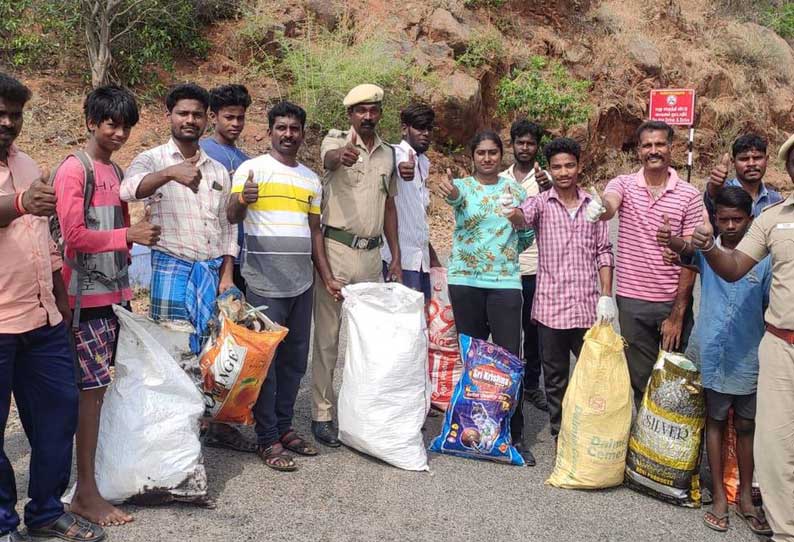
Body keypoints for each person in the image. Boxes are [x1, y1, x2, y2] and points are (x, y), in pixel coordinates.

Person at [0, 73, 105, 542]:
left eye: (15, 114)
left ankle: (43, 513)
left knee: (59, 416)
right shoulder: (23, 184)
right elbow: (16, 209)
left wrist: (60, 309)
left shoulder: (27, 165)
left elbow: (45, 242)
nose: (7, 122)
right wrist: (22, 202)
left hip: (42, 318)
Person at [120, 83, 251, 453]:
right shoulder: (152, 158)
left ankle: (199, 435)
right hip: (171, 269)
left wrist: (227, 274)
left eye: (196, 114)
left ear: (205, 119)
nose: (189, 120)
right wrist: (170, 173)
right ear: (169, 117)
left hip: (209, 272)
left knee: (208, 354)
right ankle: (169, 444)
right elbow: (127, 190)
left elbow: (228, 225)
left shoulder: (218, 170)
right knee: (171, 356)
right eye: (183, 113)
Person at [53, 85, 159, 527]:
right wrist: (128, 237)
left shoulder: (114, 171)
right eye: (111, 123)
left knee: (97, 393)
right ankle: (85, 494)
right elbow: (73, 236)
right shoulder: (73, 171)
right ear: (91, 122)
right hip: (83, 303)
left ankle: (87, 483)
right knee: (88, 395)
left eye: (126, 126)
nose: (119, 132)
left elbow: (115, 233)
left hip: (112, 300)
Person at [690, 134, 794, 542]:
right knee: (774, 441)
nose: (731, 225)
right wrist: (704, 247)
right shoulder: (774, 221)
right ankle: (781, 526)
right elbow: (730, 266)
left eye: (758, 156)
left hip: (752, 349)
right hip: (776, 346)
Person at [657, 186, 771, 535]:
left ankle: (747, 500)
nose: (731, 226)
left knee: (748, 426)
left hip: (749, 355)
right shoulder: (710, 251)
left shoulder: (764, 260)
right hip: (714, 353)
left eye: (738, 219)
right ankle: (720, 496)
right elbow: (686, 250)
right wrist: (671, 239)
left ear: (751, 220)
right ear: (716, 220)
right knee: (716, 421)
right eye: (724, 219)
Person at [227, 101, 321, 471]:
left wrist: (323, 274)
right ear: (269, 132)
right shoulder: (251, 169)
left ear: (302, 133)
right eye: (281, 127)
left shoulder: (311, 179)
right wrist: (242, 201)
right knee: (265, 363)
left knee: (295, 361)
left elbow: (315, 231)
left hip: (302, 282)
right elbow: (232, 215)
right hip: (263, 281)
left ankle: (284, 428)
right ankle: (266, 438)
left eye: (294, 128)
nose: (288, 134)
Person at [586, 120, 703, 404]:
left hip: (671, 303)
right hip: (633, 304)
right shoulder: (623, 184)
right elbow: (611, 204)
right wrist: (601, 208)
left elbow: (690, 258)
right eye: (647, 145)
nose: (654, 150)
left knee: (675, 380)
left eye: (660, 144)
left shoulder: (689, 195)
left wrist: (677, 314)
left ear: (671, 148)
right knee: (640, 382)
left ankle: (672, 445)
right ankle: (645, 444)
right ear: (638, 150)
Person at [310, 84, 401, 447]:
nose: (367, 117)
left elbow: (389, 206)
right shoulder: (334, 141)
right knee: (328, 339)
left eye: (373, 111)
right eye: (360, 111)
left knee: (369, 341)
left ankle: (361, 413)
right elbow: (330, 159)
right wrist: (340, 156)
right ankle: (321, 413)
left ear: (380, 114)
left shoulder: (389, 154)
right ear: (350, 114)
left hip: (371, 256)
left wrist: (396, 257)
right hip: (337, 250)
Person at [506, 137, 615, 440]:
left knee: (592, 375)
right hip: (551, 309)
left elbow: (604, 251)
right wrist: (509, 210)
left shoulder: (593, 207)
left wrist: (606, 295)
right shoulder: (541, 203)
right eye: (557, 167)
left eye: (569, 165)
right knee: (554, 379)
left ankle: (590, 435)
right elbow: (521, 218)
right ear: (550, 170)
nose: (564, 172)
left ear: (579, 167)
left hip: (586, 309)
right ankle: (562, 436)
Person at [437, 130, 535, 464]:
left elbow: (526, 236)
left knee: (509, 359)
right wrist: (449, 191)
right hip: (465, 281)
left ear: (501, 155)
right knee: (472, 358)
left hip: (505, 283)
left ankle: (513, 434)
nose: (488, 158)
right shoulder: (462, 188)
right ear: (472, 156)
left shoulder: (516, 191)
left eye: (493, 152)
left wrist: (518, 222)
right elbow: (453, 199)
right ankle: (470, 431)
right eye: (481, 153)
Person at [501, 119, 552, 412]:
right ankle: (506, 380)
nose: (525, 147)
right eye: (520, 142)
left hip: (535, 266)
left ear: (537, 147)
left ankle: (532, 385)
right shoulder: (499, 176)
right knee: (506, 330)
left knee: (533, 332)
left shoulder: (545, 179)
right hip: (505, 267)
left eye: (530, 143)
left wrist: (550, 189)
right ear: (513, 144)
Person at [381, 103, 441, 300]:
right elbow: (392, 163)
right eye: (419, 127)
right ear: (404, 128)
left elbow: (417, 218)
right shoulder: (395, 154)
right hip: (399, 262)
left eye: (429, 129)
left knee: (419, 325)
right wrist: (400, 167)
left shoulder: (423, 163)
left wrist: (432, 257)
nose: (425, 133)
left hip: (420, 261)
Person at [200, 84, 251, 291]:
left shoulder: (247, 162)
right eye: (229, 117)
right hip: (208, 253)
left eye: (240, 118)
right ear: (213, 117)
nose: (236, 123)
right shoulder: (200, 152)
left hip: (240, 256)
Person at [704, 134, 782, 230]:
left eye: (757, 158)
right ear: (733, 162)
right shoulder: (724, 190)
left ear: (766, 159)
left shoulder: (775, 199)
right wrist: (714, 185)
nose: (751, 164)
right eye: (744, 159)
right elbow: (713, 195)